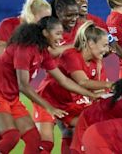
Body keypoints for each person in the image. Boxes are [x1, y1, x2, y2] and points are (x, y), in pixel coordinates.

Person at [0, 17, 98, 154]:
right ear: (45, 33)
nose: (61, 37)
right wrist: (49, 107)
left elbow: (63, 80)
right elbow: (23, 85)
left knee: (32, 139)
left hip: (10, 97)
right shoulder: (25, 49)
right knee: (11, 136)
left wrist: (90, 94)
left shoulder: (42, 52)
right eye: (57, 33)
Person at [33, 21, 112, 154]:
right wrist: (111, 85)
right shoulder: (71, 55)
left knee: (80, 129)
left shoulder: (97, 61)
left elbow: (99, 88)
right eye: (104, 45)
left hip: (69, 102)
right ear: (91, 44)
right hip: (47, 99)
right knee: (46, 143)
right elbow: (83, 82)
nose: (107, 50)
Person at [66, 0, 122, 66]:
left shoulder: (97, 21)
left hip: (97, 69)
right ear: (70, 4)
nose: (84, 1)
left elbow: (113, 45)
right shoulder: (67, 25)